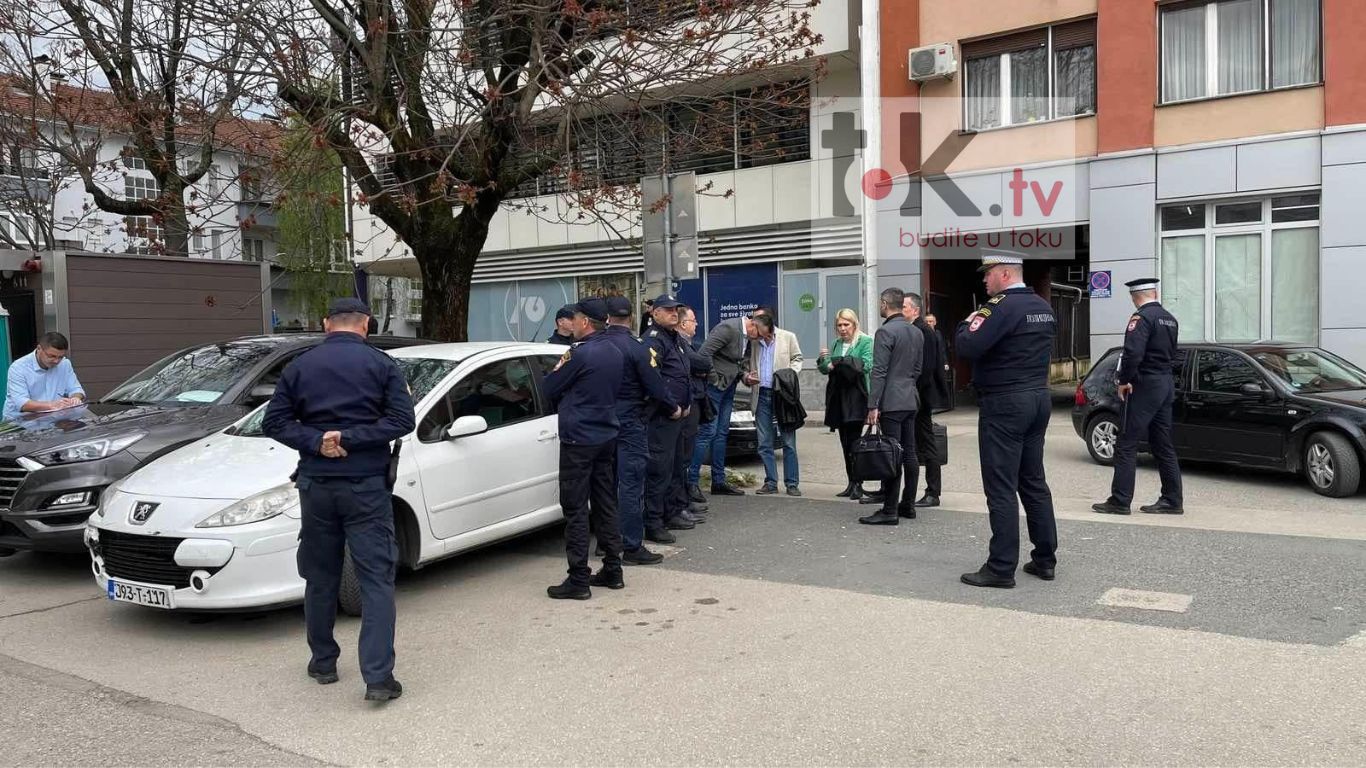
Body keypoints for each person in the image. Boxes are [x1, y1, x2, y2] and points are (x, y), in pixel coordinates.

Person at [262, 298, 415, 702]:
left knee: (320, 575)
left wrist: (318, 441)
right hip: (365, 485)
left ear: (326, 323)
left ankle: (323, 662)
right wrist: (349, 438)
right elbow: (403, 421)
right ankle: (378, 678)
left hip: (317, 485)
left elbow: (273, 422)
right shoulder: (382, 365)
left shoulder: (300, 366)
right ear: (366, 325)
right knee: (376, 580)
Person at [954, 253, 1058, 589]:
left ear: (1004, 273)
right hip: (1038, 399)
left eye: (988, 275)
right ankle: (1045, 559)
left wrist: (964, 322)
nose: (984, 281)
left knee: (1000, 487)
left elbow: (968, 346)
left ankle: (1000, 568)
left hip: (1005, 402)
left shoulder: (1000, 307)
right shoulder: (1043, 306)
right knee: (1032, 481)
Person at [541, 298, 627, 599]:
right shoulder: (614, 351)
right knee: (605, 502)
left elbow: (548, 388)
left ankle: (578, 578)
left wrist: (558, 369)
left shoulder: (579, 354)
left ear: (585, 322)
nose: (572, 324)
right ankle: (613, 570)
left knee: (576, 508)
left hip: (579, 439)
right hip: (606, 435)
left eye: (575, 319)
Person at [1093, 278, 1184, 516]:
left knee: (1126, 442)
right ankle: (1172, 500)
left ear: (1135, 297)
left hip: (1144, 384)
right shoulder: (1170, 319)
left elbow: (1133, 353)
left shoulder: (1141, 319)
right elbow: (1173, 353)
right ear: (1154, 293)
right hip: (1165, 383)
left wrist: (1124, 381)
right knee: (1163, 443)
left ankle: (1120, 500)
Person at [602, 296, 682, 566]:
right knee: (631, 484)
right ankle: (631, 546)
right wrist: (672, 407)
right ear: (632, 318)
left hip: (600, 424)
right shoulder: (637, 348)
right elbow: (655, 386)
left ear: (607, 318)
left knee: (605, 484)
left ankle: (606, 541)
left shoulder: (590, 347)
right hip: (629, 424)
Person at [858, 288, 923, 526]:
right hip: (910, 398)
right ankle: (908, 505)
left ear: (885, 304)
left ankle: (889, 510)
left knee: (892, 455)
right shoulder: (916, 332)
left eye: (880, 303)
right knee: (910, 453)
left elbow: (879, 371)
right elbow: (917, 369)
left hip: (892, 401)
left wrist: (873, 404)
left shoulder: (885, 331)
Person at [643, 295, 694, 543]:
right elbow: (654, 381)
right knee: (659, 471)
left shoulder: (674, 339)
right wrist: (672, 406)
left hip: (678, 416)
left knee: (674, 468)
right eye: (668, 310)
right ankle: (653, 522)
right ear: (655, 313)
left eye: (677, 309)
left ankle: (670, 512)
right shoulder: (653, 340)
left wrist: (687, 402)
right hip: (662, 417)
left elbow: (684, 375)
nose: (674, 313)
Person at [690, 314, 753, 498]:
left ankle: (718, 481)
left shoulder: (745, 335)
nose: (757, 340)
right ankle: (691, 482)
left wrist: (744, 376)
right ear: (754, 326)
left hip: (729, 386)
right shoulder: (728, 328)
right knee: (707, 431)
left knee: (721, 433)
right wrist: (714, 379)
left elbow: (733, 361)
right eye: (759, 335)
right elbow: (704, 354)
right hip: (716, 388)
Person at [744, 312, 803, 496]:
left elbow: (797, 358)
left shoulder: (788, 337)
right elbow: (745, 364)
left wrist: (789, 375)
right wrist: (747, 377)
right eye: (759, 333)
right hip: (761, 394)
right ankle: (770, 482)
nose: (761, 336)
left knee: (788, 442)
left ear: (770, 327)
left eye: (764, 333)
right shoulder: (753, 342)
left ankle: (792, 483)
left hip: (783, 395)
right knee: (764, 442)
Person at [817, 308, 873, 500]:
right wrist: (827, 361)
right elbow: (825, 368)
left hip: (856, 396)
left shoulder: (865, 341)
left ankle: (859, 483)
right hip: (838, 397)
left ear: (854, 324)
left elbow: (865, 364)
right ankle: (851, 482)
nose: (842, 329)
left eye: (846, 324)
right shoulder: (835, 344)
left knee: (856, 442)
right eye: (839, 325)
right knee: (844, 443)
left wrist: (837, 363)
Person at [904, 293, 950, 508]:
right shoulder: (915, 330)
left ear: (915, 309)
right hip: (917, 396)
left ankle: (933, 492)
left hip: (921, 397)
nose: (900, 310)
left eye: (904, 307)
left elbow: (926, 368)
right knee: (916, 442)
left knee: (927, 442)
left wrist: (914, 393)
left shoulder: (924, 331)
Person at [673, 305, 712, 521]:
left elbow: (703, 364)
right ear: (683, 323)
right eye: (693, 320)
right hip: (686, 405)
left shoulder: (690, 344)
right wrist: (703, 366)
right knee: (682, 456)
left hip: (694, 400)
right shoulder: (679, 342)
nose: (696, 324)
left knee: (685, 455)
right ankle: (680, 503)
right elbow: (701, 362)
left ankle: (684, 499)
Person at [4, 333, 86, 421]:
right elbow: (22, 403)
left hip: (50, 419)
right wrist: (52, 405)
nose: (56, 361)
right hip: (19, 422)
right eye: (51, 356)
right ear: (39, 349)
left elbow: (76, 389)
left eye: (60, 357)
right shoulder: (18, 367)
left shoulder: (65, 364)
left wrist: (75, 398)